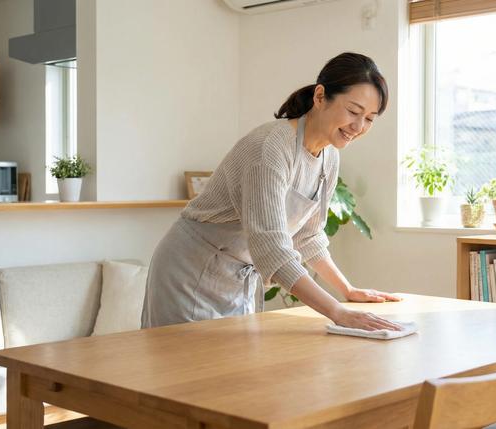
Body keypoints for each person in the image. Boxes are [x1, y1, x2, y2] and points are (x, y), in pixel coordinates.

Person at [142, 52, 402, 331]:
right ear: (320, 96)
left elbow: (308, 235)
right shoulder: (270, 148)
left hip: (235, 279)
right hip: (189, 273)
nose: (358, 127)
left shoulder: (329, 157)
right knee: (184, 358)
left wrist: (347, 290)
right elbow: (272, 249)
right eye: (353, 111)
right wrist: (337, 312)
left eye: (370, 119)